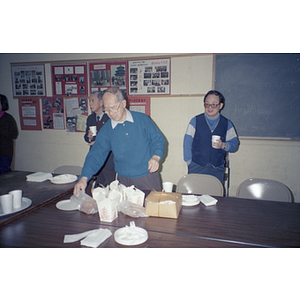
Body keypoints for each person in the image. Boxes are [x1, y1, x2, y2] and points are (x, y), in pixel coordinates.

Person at [74, 87, 166, 195]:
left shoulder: (142, 119)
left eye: (113, 108)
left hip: (147, 176)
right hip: (123, 180)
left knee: (153, 210)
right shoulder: (107, 129)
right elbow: (96, 154)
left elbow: (158, 140)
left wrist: (156, 157)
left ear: (123, 103)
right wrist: (84, 178)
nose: (110, 113)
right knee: (125, 211)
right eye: (106, 109)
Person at [183, 90, 239, 183]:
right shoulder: (195, 121)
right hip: (196, 167)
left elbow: (234, 144)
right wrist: (189, 163)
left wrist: (223, 145)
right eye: (207, 104)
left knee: (215, 195)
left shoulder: (226, 123)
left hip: (217, 168)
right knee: (195, 195)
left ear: (220, 106)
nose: (210, 107)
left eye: (214, 104)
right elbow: (187, 143)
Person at [84, 91, 115, 187]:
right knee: (97, 188)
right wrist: (88, 137)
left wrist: (99, 142)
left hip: (109, 161)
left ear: (101, 102)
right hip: (95, 159)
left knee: (110, 189)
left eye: (92, 100)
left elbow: (114, 138)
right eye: (89, 101)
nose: (90, 104)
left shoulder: (110, 117)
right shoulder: (90, 118)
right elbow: (86, 137)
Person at [0, 94, 19, 174]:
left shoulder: (8, 118)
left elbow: (14, 134)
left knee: (3, 172)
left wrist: (2, 130)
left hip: (4, 152)